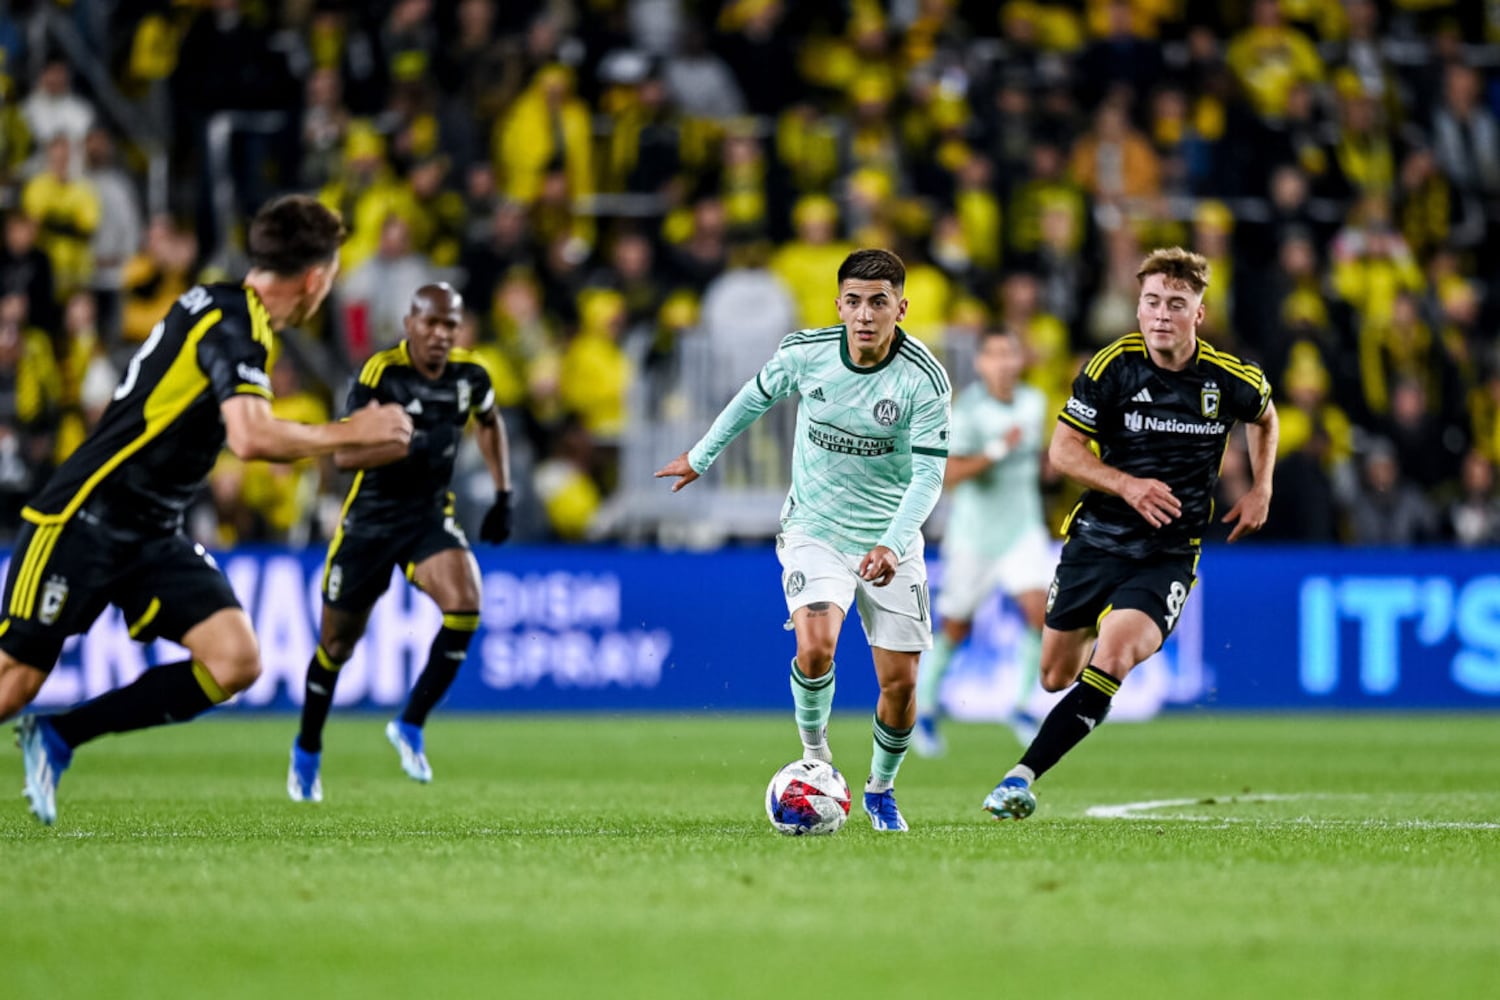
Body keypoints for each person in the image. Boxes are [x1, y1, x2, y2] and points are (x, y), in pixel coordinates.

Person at [1, 194, 414, 825]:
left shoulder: (224, 310)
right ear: (313, 277)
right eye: (328, 281)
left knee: (235, 659)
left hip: (150, 530)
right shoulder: (233, 327)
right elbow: (250, 438)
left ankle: (57, 738)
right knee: (15, 678)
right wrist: (354, 432)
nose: (324, 296)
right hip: (84, 516)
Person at [656, 248, 952, 832]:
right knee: (815, 646)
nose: (865, 314)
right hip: (813, 528)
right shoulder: (806, 354)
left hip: (891, 541)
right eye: (854, 302)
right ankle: (815, 760)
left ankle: (880, 788)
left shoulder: (924, 379)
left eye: (879, 302)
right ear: (838, 304)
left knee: (900, 684)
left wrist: (892, 545)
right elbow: (752, 398)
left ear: (902, 308)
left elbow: (929, 476)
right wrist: (701, 455)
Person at [983, 247, 1278, 821]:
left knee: (1113, 659)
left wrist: (1262, 487)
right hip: (1097, 540)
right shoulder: (1112, 367)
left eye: (1176, 303)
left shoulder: (1227, 378)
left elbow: (1265, 417)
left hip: (1168, 554)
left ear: (1199, 312)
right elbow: (1063, 450)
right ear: (1138, 308)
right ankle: (1094, 659)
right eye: (1150, 302)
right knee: (1053, 676)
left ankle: (1019, 777)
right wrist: (1127, 485)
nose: (1161, 314)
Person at [289, 283, 512, 802]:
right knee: (337, 646)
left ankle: (410, 723)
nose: (439, 335)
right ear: (409, 323)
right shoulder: (380, 374)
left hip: (428, 518)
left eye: (449, 326)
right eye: (430, 323)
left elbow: (490, 422)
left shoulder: (470, 376)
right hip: (370, 524)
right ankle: (306, 750)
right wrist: (400, 448)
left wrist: (503, 493)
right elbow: (343, 455)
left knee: (466, 606)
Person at [914, 327, 1050, 757]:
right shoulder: (969, 412)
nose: (1004, 362)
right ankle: (925, 708)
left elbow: (1040, 458)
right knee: (957, 625)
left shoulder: (1034, 403)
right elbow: (949, 476)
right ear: (981, 364)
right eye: (994, 355)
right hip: (974, 536)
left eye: (1010, 353)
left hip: (1023, 528)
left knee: (1039, 611)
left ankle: (1023, 706)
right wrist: (993, 453)